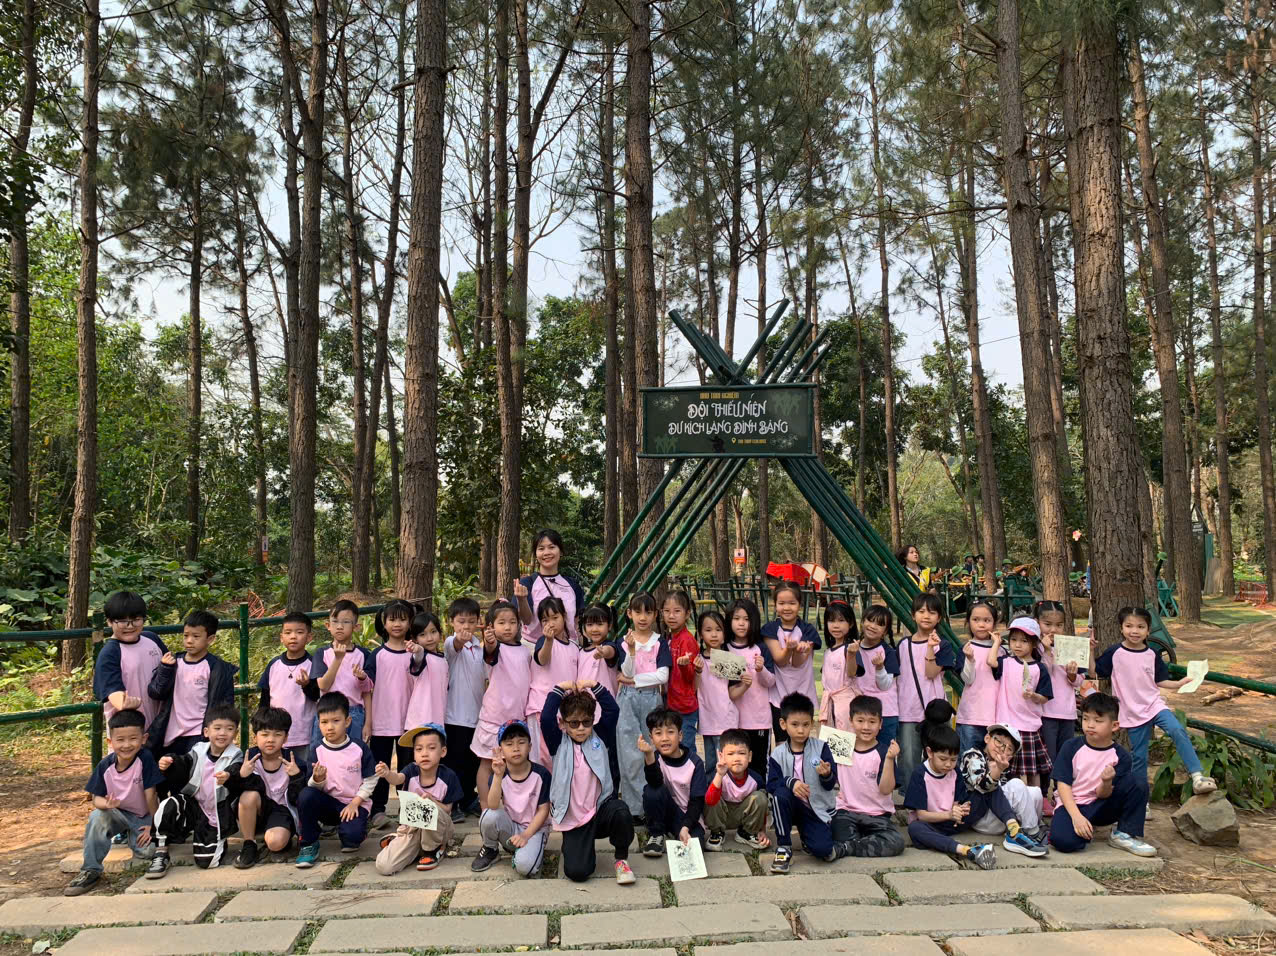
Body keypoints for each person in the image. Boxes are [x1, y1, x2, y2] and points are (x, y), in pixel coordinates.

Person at [1095, 606, 1217, 794]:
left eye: (1140, 627)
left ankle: (1197, 777)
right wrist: (1089, 651)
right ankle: (1141, 800)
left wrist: (1179, 683)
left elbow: (1160, 681)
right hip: (1131, 711)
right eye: (1129, 626)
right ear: (1121, 628)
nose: (1134, 631)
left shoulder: (1152, 654)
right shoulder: (1114, 653)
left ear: (1148, 630)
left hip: (1154, 704)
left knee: (1177, 729)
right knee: (1140, 757)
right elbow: (1095, 671)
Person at [541, 680, 636, 884]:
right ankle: (578, 847)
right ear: (564, 723)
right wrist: (560, 688)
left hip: (600, 810)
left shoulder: (600, 736)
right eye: (574, 723)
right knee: (577, 872)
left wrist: (594, 685)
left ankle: (621, 860)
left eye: (586, 722)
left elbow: (612, 710)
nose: (581, 728)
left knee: (621, 812)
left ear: (593, 720)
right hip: (574, 817)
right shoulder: (557, 742)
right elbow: (546, 717)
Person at [904, 722, 1029, 870]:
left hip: (955, 821)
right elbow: (922, 815)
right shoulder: (920, 774)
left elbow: (957, 800)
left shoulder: (954, 771)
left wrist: (961, 808)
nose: (948, 764)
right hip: (932, 824)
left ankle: (1013, 828)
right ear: (930, 752)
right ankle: (968, 851)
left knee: (989, 787)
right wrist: (949, 814)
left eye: (953, 760)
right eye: (943, 759)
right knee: (915, 828)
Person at [65, 709, 164, 896]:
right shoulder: (105, 765)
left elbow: (151, 795)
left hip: (142, 817)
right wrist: (107, 805)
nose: (127, 745)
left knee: (147, 852)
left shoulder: (145, 759)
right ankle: (91, 870)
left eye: (133, 739)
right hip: (117, 813)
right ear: (110, 742)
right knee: (97, 816)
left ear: (143, 739)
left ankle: (132, 835)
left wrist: (154, 826)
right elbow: (96, 799)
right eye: (120, 740)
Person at [1050, 692, 1156, 857]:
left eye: (1098, 721)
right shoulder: (1071, 746)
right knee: (1063, 842)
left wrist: (1106, 781)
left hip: (1101, 806)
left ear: (1114, 726)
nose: (1090, 725)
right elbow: (1063, 784)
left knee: (1138, 781)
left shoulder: (1121, 756)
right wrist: (1076, 817)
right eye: (1086, 719)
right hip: (1072, 804)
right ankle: (1080, 827)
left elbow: (1103, 794)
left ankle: (1123, 833)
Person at [148, 703, 243, 877]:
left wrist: (229, 776)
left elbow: (237, 772)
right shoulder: (198, 750)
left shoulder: (236, 754)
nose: (223, 733)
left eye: (229, 729)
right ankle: (161, 852)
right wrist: (169, 761)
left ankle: (212, 838)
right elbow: (183, 764)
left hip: (217, 814)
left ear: (235, 733)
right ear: (206, 732)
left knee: (207, 862)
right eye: (217, 728)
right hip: (194, 807)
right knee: (168, 804)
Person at [296, 692, 377, 867]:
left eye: (336, 721)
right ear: (318, 723)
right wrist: (318, 779)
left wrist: (355, 802)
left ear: (347, 721)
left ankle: (354, 830)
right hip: (329, 804)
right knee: (305, 795)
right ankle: (308, 843)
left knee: (352, 840)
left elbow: (371, 779)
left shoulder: (359, 748)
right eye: (324, 722)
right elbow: (311, 786)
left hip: (354, 804)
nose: (330, 727)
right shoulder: (317, 749)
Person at [145, 610, 238, 759]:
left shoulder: (216, 668)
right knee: (169, 769)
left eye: (196, 636)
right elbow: (155, 693)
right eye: (186, 635)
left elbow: (224, 704)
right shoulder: (174, 662)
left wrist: (219, 731)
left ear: (210, 639)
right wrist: (165, 669)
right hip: (171, 731)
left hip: (199, 732)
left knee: (195, 770)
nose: (189, 641)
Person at [374, 724, 463, 873]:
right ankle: (403, 841)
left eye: (431, 748)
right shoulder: (411, 770)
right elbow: (397, 778)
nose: (425, 754)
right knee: (384, 866)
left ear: (443, 751)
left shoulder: (448, 776)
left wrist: (432, 801)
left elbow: (448, 810)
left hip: (439, 829)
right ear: (414, 753)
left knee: (428, 807)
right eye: (419, 749)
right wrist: (387, 774)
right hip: (412, 828)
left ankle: (433, 850)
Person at [767, 692, 839, 873]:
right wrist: (790, 782)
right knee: (780, 794)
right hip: (790, 808)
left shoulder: (822, 748)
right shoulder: (778, 754)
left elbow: (831, 784)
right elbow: (771, 784)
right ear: (783, 724)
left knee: (823, 850)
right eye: (795, 724)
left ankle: (807, 836)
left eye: (806, 725)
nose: (801, 730)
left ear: (812, 724)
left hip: (815, 810)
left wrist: (827, 775)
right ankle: (784, 846)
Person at [227, 707, 308, 868]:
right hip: (258, 809)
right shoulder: (249, 759)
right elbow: (233, 791)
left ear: (285, 738)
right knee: (248, 795)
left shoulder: (293, 761)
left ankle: (282, 835)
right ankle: (249, 843)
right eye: (264, 734)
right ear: (255, 737)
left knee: (275, 843)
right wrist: (241, 775)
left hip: (282, 811)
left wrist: (296, 777)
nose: (270, 740)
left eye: (277, 735)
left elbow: (299, 799)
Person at [616, 591, 672, 819]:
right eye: (637, 612)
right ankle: (633, 809)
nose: (642, 617)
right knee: (629, 753)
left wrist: (634, 680)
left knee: (653, 749)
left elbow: (663, 675)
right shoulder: (623, 641)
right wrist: (631, 651)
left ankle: (653, 805)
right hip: (627, 699)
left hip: (651, 699)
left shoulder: (659, 642)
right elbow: (626, 671)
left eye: (648, 612)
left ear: (655, 614)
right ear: (629, 613)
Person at [895, 592, 957, 792]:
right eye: (921, 611)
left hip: (935, 712)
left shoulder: (943, 645)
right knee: (909, 758)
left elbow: (930, 673)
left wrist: (931, 648)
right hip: (908, 709)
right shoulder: (903, 645)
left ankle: (939, 795)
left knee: (939, 758)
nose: (926, 616)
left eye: (932, 612)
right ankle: (910, 798)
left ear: (939, 618)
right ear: (913, 615)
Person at [472, 719, 551, 875]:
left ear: (530, 747)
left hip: (534, 829)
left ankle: (526, 851)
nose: (516, 748)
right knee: (488, 815)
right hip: (511, 826)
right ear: (501, 750)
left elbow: (543, 810)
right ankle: (491, 849)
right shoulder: (499, 774)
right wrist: (497, 776)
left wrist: (525, 835)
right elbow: (492, 805)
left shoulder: (541, 774)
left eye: (521, 742)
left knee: (525, 867)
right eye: (509, 744)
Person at [470, 600, 532, 800]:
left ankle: (510, 806)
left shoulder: (525, 651)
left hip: (517, 719)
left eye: (512, 622)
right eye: (502, 623)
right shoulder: (495, 648)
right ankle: (485, 806)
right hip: (494, 717)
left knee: (514, 764)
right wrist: (489, 641)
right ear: (491, 626)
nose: (507, 627)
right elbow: (490, 651)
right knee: (487, 764)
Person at [830, 695, 905, 859]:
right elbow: (828, 780)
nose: (866, 727)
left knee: (896, 842)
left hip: (877, 815)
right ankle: (858, 843)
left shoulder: (884, 752)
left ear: (880, 724)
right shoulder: (842, 746)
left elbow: (886, 789)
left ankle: (848, 847)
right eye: (860, 721)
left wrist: (890, 759)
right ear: (851, 721)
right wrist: (823, 772)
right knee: (829, 829)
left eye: (872, 722)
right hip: (847, 811)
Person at [367, 599, 418, 828]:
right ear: (384, 622)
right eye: (392, 619)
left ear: (410, 623)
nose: (397, 624)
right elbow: (367, 688)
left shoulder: (415, 653)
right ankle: (377, 809)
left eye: (403, 619)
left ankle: (409, 811)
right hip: (382, 721)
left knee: (409, 767)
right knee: (380, 766)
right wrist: (368, 722)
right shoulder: (377, 655)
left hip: (409, 721)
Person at [958, 723, 1048, 851]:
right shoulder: (973, 755)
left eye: (1009, 748)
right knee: (1017, 784)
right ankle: (1030, 834)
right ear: (987, 738)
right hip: (980, 817)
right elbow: (982, 787)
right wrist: (997, 770)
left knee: (1035, 792)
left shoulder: (1006, 765)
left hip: (1002, 817)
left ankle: (1030, 829)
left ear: (1012, 756)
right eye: (999, 741)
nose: (1002, 748)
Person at [92, 591, 167, 741]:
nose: (130, 626)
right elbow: (114, 695)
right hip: (128, 738)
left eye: (136, 620)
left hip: (160, 728)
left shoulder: (152, 639)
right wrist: (125, 702)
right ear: (109, 622)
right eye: (122, 621)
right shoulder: (110, 653)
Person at [992, 617, 1054, 789]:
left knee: (1033, 771)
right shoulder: (1006, 662)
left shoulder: (1039, 668)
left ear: (1034, 644)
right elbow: (991, 662)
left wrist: (1033, 696)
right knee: (1009, 769)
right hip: (1007, 724)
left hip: (1029, 725)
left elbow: (1045, 697)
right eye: (1013, 640)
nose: (1017, 645)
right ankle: (1011, 800)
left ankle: (1036, 800)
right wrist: (996, 643)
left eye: (1024, 641)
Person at [638, 707, 708, 855]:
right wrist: (649, 756)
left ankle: (676, 832)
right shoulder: (654, 758)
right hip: (664, 813)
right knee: (652, 790)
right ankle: (657, 834)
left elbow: (697, 802)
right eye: (658, 733)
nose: (664, 738)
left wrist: (686, 827)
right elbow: (655, 784)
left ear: (680, 735)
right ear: (651, 738)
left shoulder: (695, 763)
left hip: (689, 817)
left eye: (670, 732)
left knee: (695, 850)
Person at [309, 600, 374, 756]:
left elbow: (367, 692)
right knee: (321, 756)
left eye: (346, 622)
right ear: (328, 625)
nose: (339, 626)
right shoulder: (322, 653)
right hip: (327, 712)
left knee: (353, 756)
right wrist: (338, 659)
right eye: (335, 621)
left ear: (356, 627)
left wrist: (368, 723)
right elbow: (323, 685)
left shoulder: (363, 655)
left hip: (354, 713)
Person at [762, 583, 820, 747]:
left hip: (803, 695)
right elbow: (780, 660)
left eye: (792, 603)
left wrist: (798, 651)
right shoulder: (770, 629)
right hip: (778, 697)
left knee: (801, 740)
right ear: (775, 605)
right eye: (781, 603)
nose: (786, 608)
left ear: (799, 605)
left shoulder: (808, 630)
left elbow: (797, 663)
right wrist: (789, 649)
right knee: (782, 743)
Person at [442, 597, 485, 819]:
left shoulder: (481, 648)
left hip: (478, 716)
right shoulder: (451, 644)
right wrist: (459, 639)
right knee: (454, 762)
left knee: (472, 761)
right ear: (451, 622)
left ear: (479, 621)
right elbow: (456, 644)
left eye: (471, 621)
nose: (466, 626)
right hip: (455, 716)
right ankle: (453, 803)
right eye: (461, 621)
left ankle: (468, 798)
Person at [257, 612, 321, 755]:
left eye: (299, 632)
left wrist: (307, 685)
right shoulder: (274, 665)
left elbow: (318, 696)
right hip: (275, 734)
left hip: (304, 735)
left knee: (302, 767)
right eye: (288, 632)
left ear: (309, 637)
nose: (293, 636)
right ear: (281, 638)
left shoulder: (313, 665)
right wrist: (261, 726)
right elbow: (265, 700)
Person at [526, 596, 579, 764]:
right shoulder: (543, 641)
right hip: (541, 709)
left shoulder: (574, 646)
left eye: (555, 617)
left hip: (564, 713)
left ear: (564, 616)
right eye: (545, 620)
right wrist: (548, 640)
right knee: (543, 759)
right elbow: (542, 659)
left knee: (560, 759)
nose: (550, 623)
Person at [726, 598, 775, 776]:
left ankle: (761, 792)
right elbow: (728, 689)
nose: (741, 623)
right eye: (736, 618)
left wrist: (761, 670)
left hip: (760, 719)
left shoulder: (760, 648)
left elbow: (771, 682)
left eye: (746, 619)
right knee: (736, 765)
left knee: (760, 764)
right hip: (734, 721)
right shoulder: (725, 649)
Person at [1036, 600, 1085, 776]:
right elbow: (1041, 675)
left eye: (1059, 625)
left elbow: (1079, 680)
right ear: (1037, 623)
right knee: (1048, 757)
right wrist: (1047, 651)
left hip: (1067, 712)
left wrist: (1072, 676)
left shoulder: (1069, 646)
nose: (1053, 630)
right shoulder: (1034, 648)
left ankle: (1061, 788)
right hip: (1045, 712)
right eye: (1047, 624)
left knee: (1065, 757)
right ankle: (1045, 788)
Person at [513, 528, 586, 644]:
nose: (546, 552)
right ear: (536, 554)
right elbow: (526, 620)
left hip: (568, 647)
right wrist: (521, 600)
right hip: (535, 647)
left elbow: (577, 622)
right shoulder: (527, 583)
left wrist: (585, 648)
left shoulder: (572, 585)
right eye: (541, 548)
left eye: (552, 547)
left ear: (560, 551)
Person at [703, 728, 769, 852]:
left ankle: (746, 833)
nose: (737, 758)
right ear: (721, 756)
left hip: (743, 816)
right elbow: (710, 801)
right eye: (730, 754)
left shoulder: (756, 779)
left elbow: (763, 808)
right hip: (721, 816)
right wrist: (719, 775)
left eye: (742, 753)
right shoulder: (718, 776)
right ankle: (717, 833)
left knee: (761, 797)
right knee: (712, 793)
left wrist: (762, 830)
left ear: (749, 756)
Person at [692, 609, 740, 775]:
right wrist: (698, 671)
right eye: (708, 630)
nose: (713, 634)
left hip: (726, 719)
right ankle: (712, 791)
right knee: (711, 764)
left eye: (718, 630)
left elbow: (733, 691)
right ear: (700, 634)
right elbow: (694, 688)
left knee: (726, 763)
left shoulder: (728, 658)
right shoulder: (698, 659)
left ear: (724, 634)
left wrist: (746, 684)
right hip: (707, 720)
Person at [955, 600, 1002, 754]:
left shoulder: (1002, 651)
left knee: (994, 763)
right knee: (969, 761)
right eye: (976, 620)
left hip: (996, 717)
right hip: (971, 716)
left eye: (987, 620)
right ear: (968, 622)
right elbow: (968, 679)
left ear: (994, 623)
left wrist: (996, 645)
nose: (981, 625)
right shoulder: (966, 649)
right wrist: (969, 659)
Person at [662, 591, 700, 757]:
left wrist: (684, 667)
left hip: (684, 706)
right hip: (672, 703)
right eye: (667, 611)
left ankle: (694, 773)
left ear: (687, 614)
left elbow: (690, 677)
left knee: (686, 748)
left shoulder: (687, 640)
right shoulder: (669, 637)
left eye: (677, 611)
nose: (671, 616)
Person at [817, 600, 860, 732]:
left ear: (850, 623)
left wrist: (851, 655)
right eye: (831, 621)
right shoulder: (828, 651)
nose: (836, 625)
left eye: (841, 620)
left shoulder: (851, 648)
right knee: (830, 741)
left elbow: (852, 673)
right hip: (830, 704)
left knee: (846, 740)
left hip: (846, 705)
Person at [405, 610, 448, 740]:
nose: (429, 638)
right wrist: (418, 650)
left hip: (438, 722)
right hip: (420, 722)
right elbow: (418, 657)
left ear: (440, 632)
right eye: (422, 634)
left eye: (433, 632)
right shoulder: (423, 657)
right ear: (415, 639)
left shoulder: (443, 659)